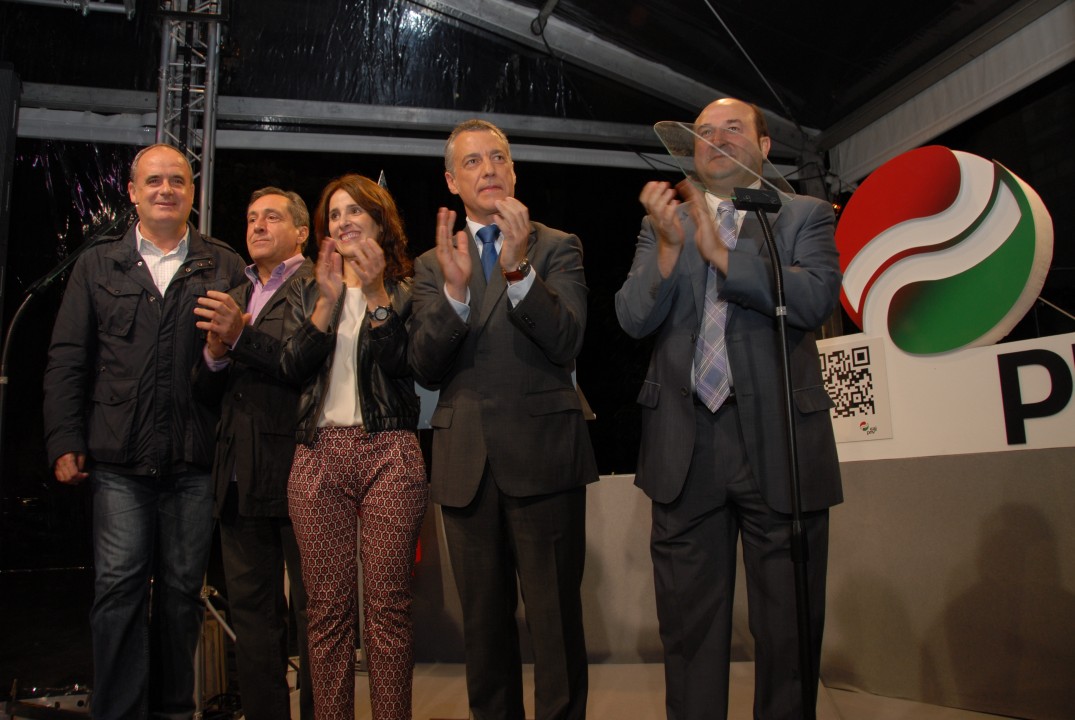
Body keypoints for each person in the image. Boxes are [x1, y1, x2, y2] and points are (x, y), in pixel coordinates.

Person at [614, 97, 843, 720]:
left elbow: (815, 298)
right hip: (686, 446)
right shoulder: (665, 224)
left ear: (764, 146)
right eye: (704, 132)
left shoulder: (803, 215)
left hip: (780, 442)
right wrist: (669, 250)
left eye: (732, 129)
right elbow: (632, 317)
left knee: (789, 633)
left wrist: (722, 256)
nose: (715, 139)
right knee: (689, 632)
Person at [42, 143, 246, 719]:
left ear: (192, 193)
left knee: (182, 596)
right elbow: (67, 358)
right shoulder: (97, 264)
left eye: (177, 180)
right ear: (132, 192)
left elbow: (239, 367)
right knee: (117, 593)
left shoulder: (223, 265)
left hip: (193, 461)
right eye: (153, 180)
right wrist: (64, 439)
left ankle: (174, 711)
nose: (165, 189)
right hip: (119, 464)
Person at [408, 119, 598, 720]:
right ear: (451, 180)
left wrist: (518, 272)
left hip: (545, 457)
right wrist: (456, 296)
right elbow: (424, 367)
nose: (488, 169)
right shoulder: (433, 264)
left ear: (513, 171)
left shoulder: (556, 245)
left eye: (497, 157)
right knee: (484, 635)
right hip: (467, 465)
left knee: (556, 627)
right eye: (472, 161)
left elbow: (566, 340)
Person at [250, 173, 428, 720]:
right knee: (325, 614)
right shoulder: (307, 288)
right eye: (335, 214)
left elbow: (406, 363)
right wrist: (327, 304)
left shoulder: (408, 286)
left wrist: (374, 295)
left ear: (379, 220)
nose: (344, 221)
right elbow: (288, 366)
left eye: (355, 211)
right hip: (317, 455)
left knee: (388, 612)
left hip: (389, 452)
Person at [190, 187, 315, 720]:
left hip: (301, 471)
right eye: (250, 218)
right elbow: (206, 391)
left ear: (301, 232)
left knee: (317, 618)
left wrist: (239, 339)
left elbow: (303, 364)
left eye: (271, 217)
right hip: (238, 478)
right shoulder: (235, 293)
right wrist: (215, 354)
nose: (257, 226)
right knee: (253, 619)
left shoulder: (318, 286)